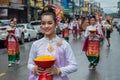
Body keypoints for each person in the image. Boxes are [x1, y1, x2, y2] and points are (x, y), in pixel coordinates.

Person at [27, 5, 77, 80]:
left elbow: (74, 66)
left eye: (50, 23)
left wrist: (58, 70)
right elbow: (30, 63)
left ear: (56, 24)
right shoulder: (36, 44)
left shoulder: (64, 44)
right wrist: (34, 68)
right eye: (43, 23)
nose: (46, 26)